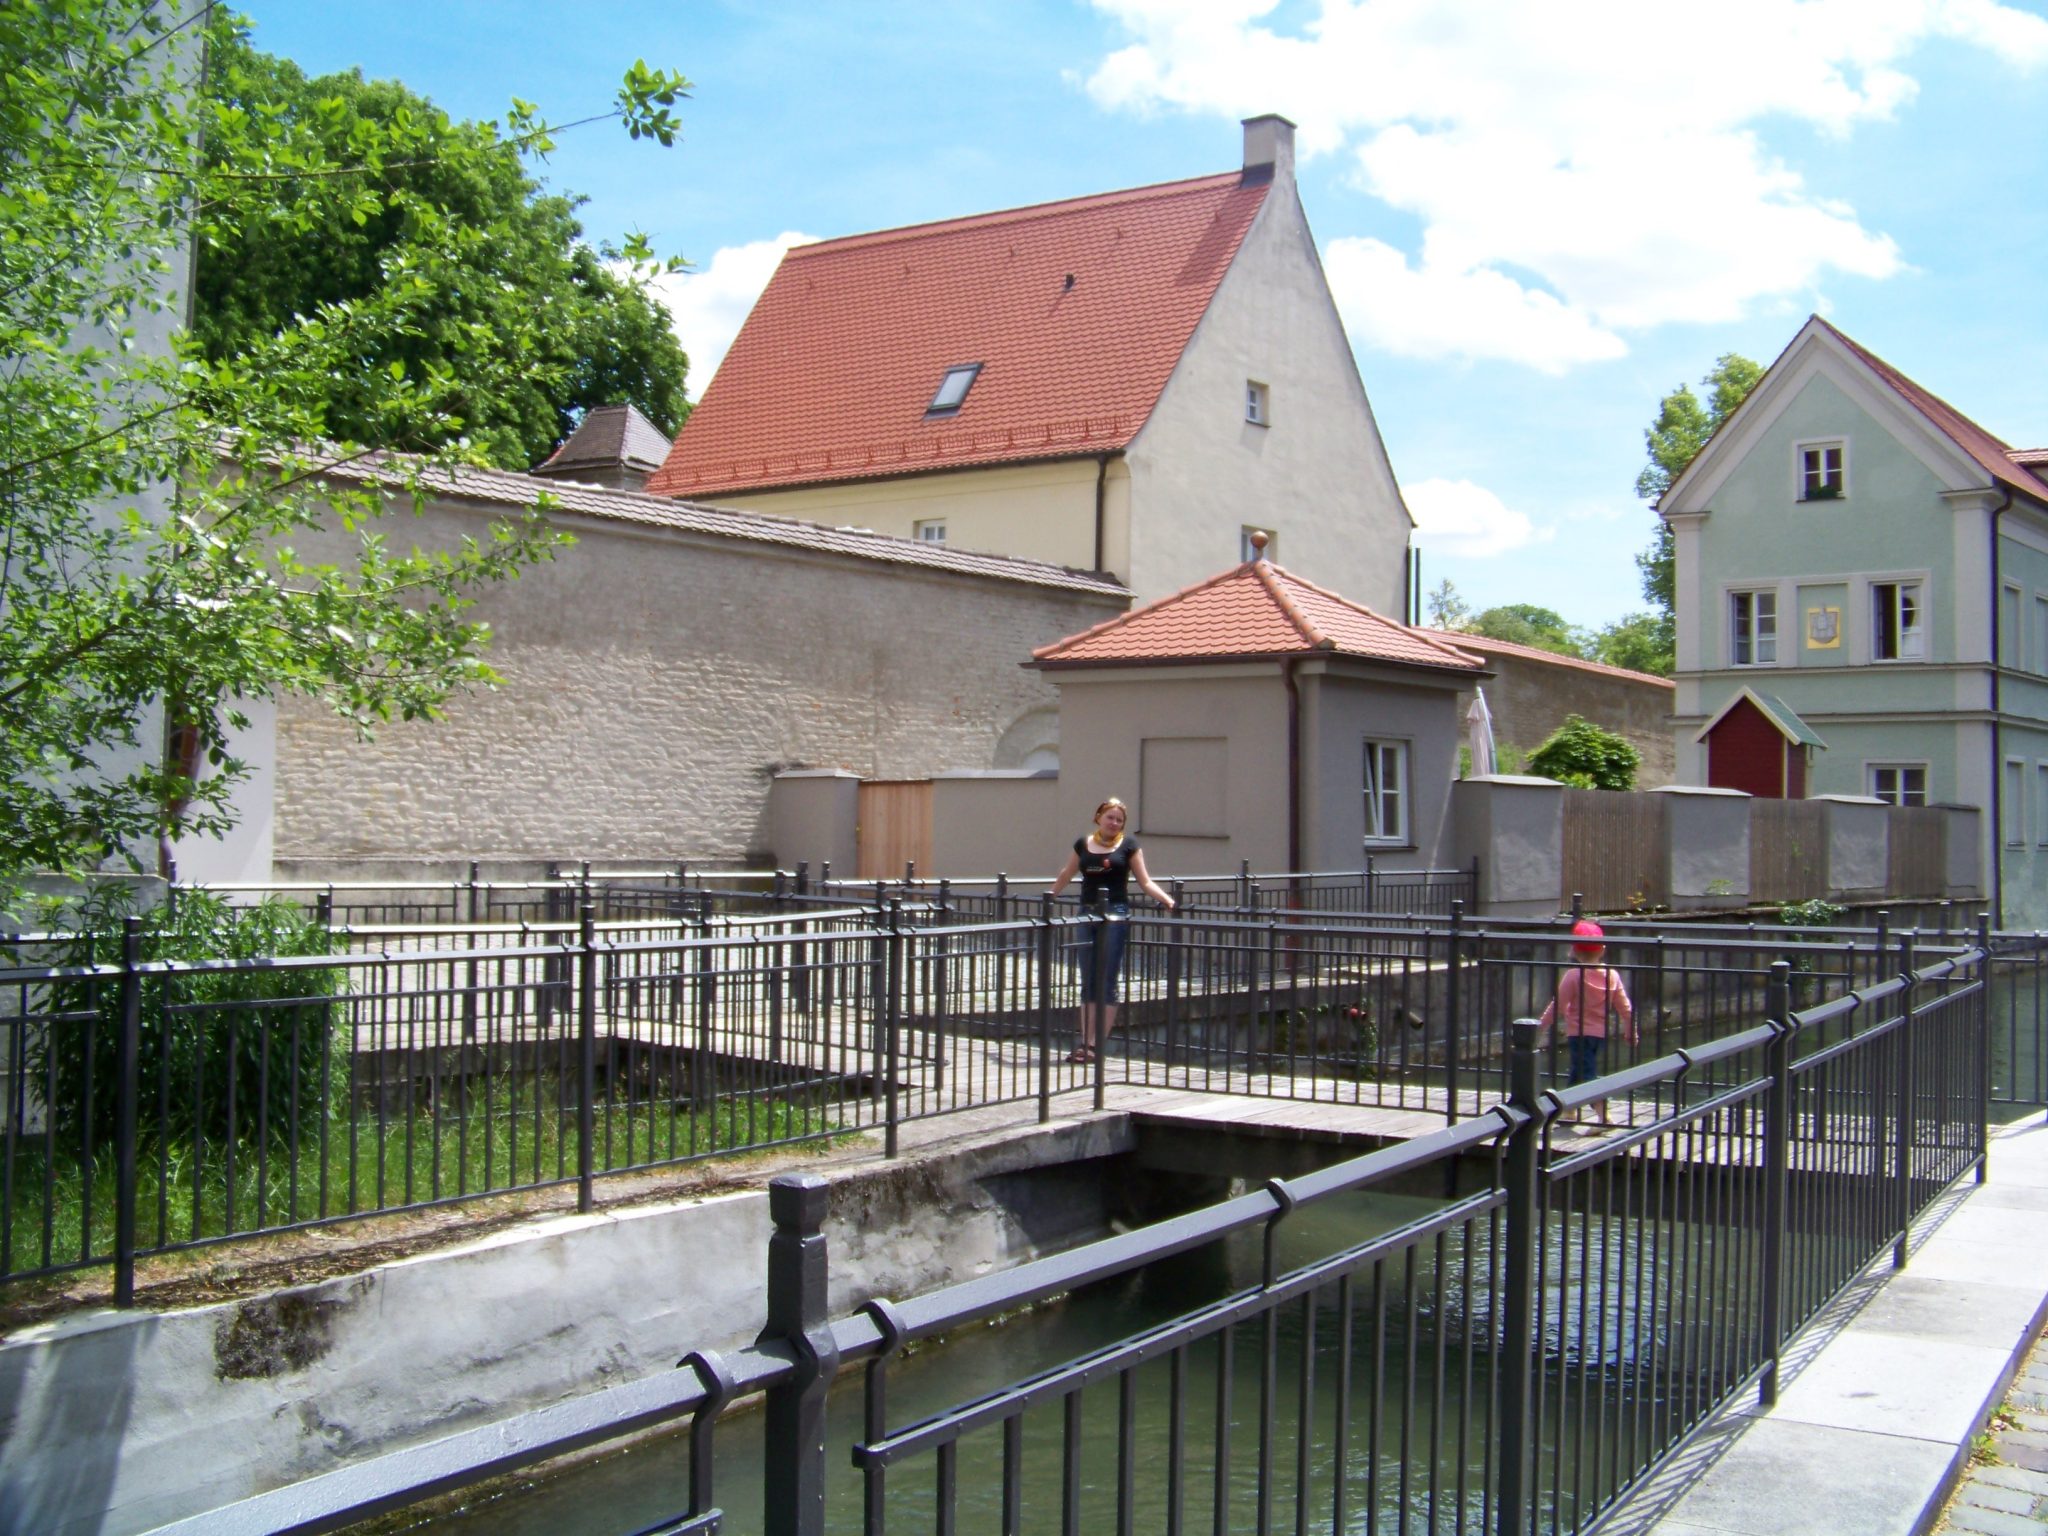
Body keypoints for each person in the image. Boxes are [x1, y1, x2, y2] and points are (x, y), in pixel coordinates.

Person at [1049, 797, 1175, 1062]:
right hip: (1087, 913)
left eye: (1119, 820)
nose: (1114, 823)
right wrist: (1050, 896)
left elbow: (1145, 881)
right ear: (1099, 817)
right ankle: (1085, 1042)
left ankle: (1095, 1045)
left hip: (1115, 914)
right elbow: (1067, 873)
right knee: (1088, 979)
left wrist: (1166, 899)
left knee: (1107, 979)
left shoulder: (1129, 846)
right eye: (1110, 817)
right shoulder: (1083, 844)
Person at [1539, 919, 1636, 1127]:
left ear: (1574, 950)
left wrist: (1540, 1026)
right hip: (1599, 1035)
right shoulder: (1612, 975)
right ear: (1603, 949)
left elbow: (1558, 1005)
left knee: (1587, 1073)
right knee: (1579, 1068)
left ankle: (1603, 1115)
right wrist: (1630, 1029)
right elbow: (1625, 1006)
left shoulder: (1574, 975)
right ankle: (1569, 1109)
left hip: (1578, 1033)